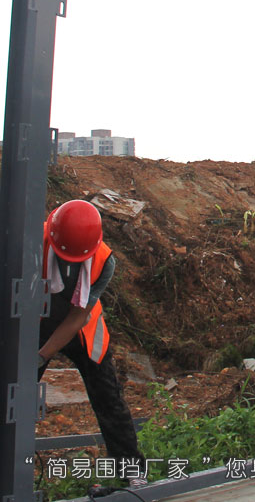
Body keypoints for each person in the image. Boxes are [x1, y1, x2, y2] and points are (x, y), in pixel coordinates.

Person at [39, 200, 146, 486]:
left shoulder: (104, 261)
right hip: (39, 320)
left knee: (108, 397)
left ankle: (131, 472)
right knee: (15, 391)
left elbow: (78, 316)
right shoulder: (34, 244)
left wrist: (42, 355)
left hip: (83, 327)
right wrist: (30, 356)